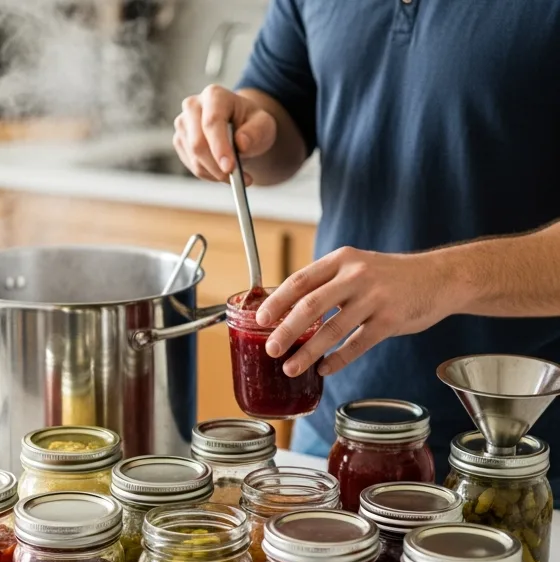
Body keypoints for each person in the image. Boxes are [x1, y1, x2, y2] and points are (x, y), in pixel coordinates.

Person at [172, 0, 560, 480]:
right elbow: (281, 109)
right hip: (334, 434)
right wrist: (248, 132)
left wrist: (443, 277)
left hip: (521, 456)